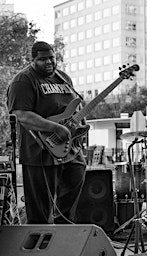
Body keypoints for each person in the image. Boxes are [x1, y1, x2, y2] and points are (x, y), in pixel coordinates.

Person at [6, 41, 86, 224]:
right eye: (43, 59)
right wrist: (55, 128)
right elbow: (22, 115)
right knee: (40, 210)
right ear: (32, 60)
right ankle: (39, 247)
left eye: (52, 57)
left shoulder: (64, 78)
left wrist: (80, 120)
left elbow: (73, 106)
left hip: (70, 149)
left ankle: (63, 237)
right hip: (39, 151)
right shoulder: (23, 80)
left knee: (74, 188)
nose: (49, 62)